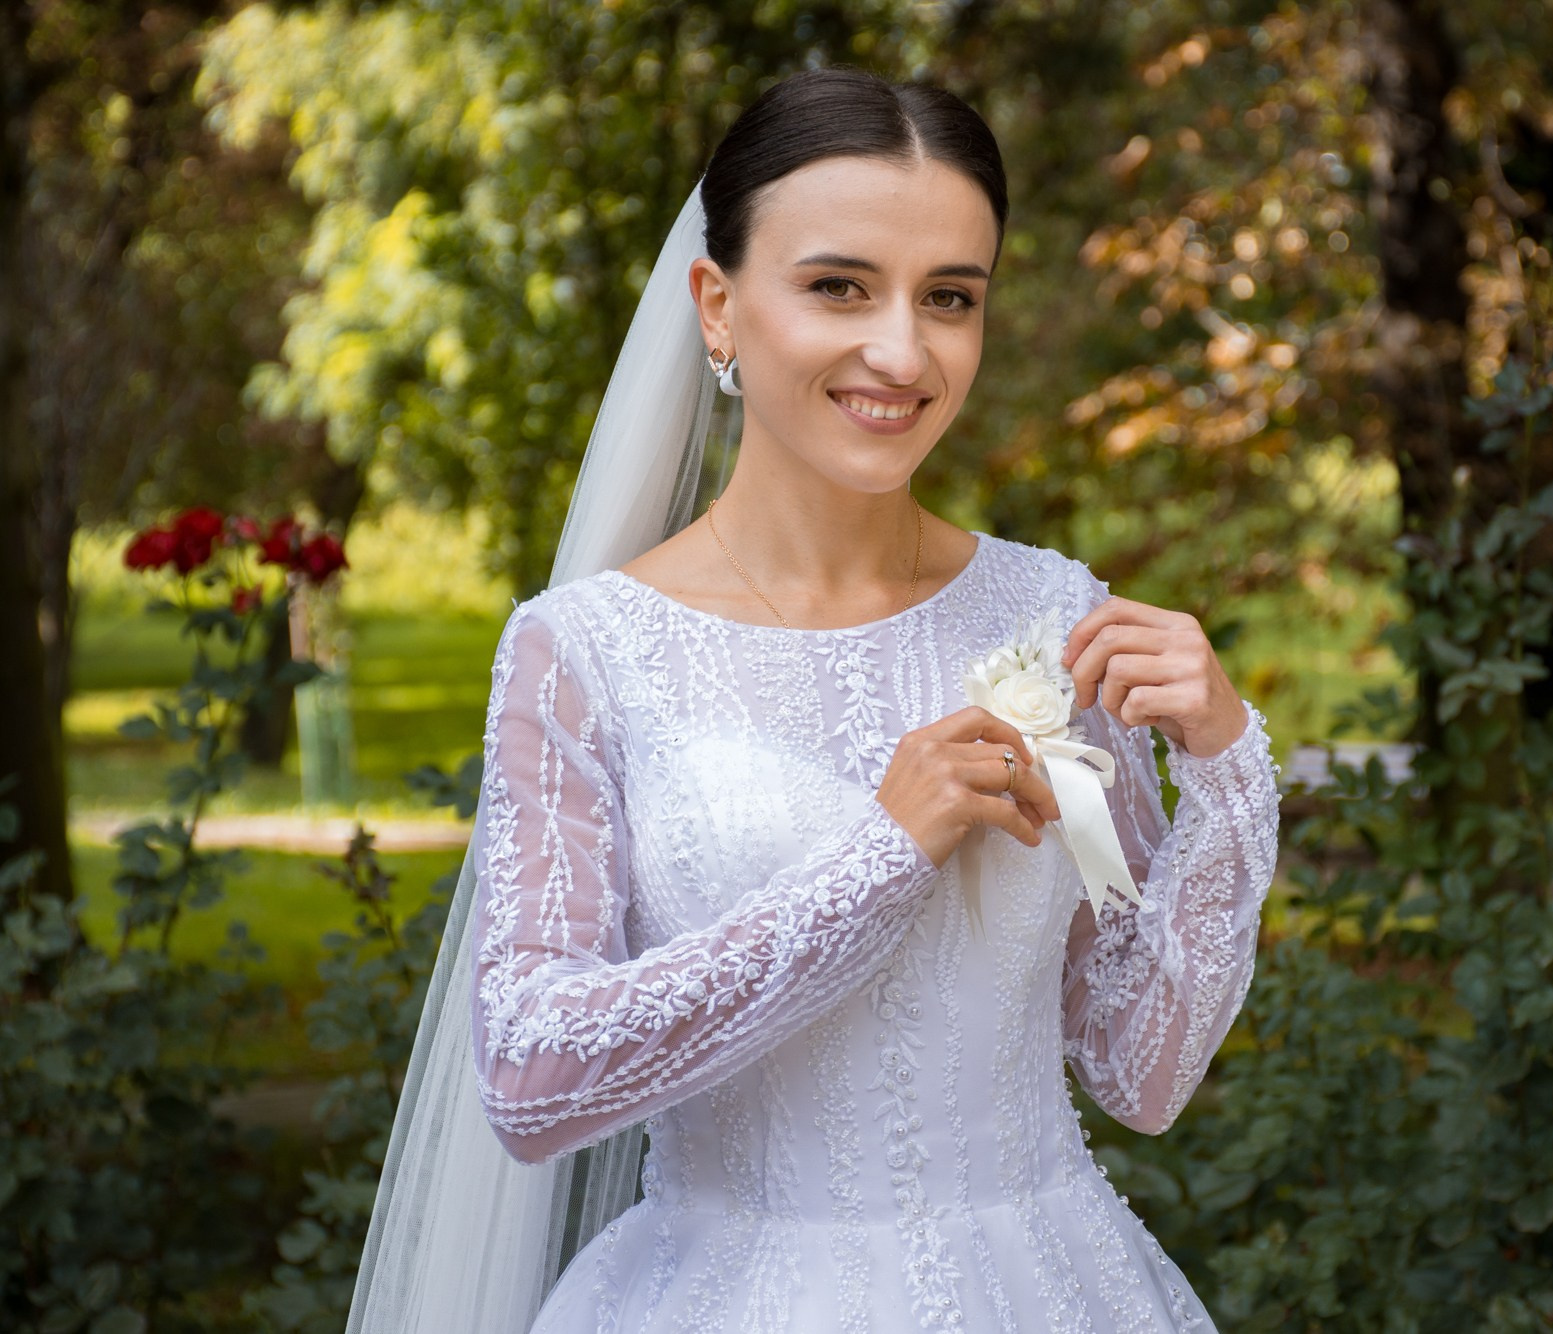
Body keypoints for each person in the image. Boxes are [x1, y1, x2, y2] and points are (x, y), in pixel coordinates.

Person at [355, 66, 1281, 1334]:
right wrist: (881, 855)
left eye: (948, 297)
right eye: (839, 286)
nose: (901, 351)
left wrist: (1227, 765)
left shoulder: (1053, 617)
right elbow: (530, 1075)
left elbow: (1140, 1068)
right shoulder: (583, 651)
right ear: (718, 306)